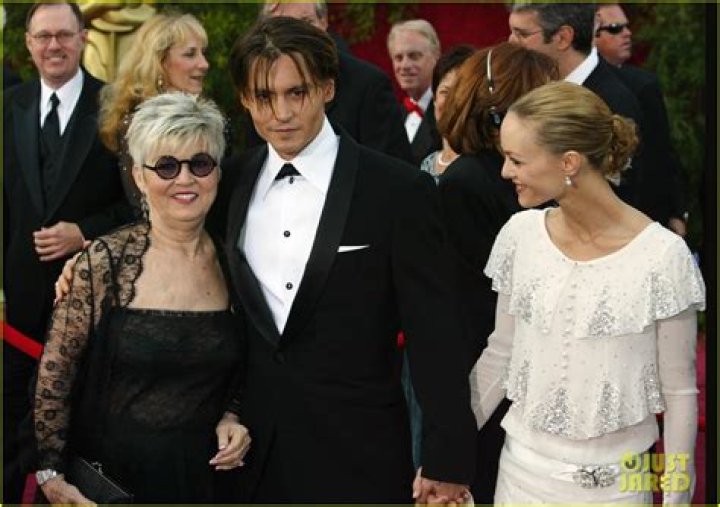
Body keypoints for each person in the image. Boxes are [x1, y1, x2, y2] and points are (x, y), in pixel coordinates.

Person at [224, 16, 475, 503]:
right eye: (264, 96)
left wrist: (447, 457)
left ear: (328, 88)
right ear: (244, 99)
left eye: (297, 93)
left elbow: (435, 332)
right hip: (251, 458)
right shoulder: (231, 183)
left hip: (361, 451)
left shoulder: (398, 190)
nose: (281, 113)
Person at [471, 81, 705, 504]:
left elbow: (679, 393)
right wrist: (444, 451)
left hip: (618, 487)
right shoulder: (520, 236)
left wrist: (676, 498)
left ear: (569, 162)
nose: (505, 171)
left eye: (517, 159)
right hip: (518, 477)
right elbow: (500, 355)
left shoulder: (662, 257)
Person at [34, 93, 251, 504]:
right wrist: (50, 474)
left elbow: (243, 368)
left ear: (217, 173)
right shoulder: (104, 263)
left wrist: (233, 415)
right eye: (166, 166)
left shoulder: (236, 264)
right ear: (139, 176)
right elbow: (55, 377)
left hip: (202, 484)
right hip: (110, 486)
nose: (185, 179)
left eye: (200, 163)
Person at [2, 2, 129, 502]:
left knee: (81, 431)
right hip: (17, 312)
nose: (53, 45)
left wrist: (85, 232)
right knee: (14, 434)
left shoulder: (116, 105)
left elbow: (140, 205)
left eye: (63, 35)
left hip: (90, 306)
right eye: (43, 36)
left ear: (82, 38)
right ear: (29, 44)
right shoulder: (7, 105)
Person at [436, 41, 558, 504]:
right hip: (497, 390)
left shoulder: (536, 178)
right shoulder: (468, 184)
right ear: (502, 110)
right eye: (544, 98)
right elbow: (486, 311)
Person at [507, 3, 685, 236]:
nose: (511, 41)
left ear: (563, 38)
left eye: (522, 34)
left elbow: (649, 178)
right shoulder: (527, 87)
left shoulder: (621, 99)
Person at [247, 1, 413, 163]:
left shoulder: (369, 85)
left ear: (324, 22)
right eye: (284, 25)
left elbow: (394, 171)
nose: (296, 35)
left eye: (306, 22)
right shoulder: (256, 83)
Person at [98, 11, 209, 212]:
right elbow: (138, 207)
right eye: (190, 54)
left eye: (203, 53)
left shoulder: (215, 124)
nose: (204, 64)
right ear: (159, 62)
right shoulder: (133, 128)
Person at [595, 3, 689, 236]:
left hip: (646, 217)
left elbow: (662, 153)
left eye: (627, 27)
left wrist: (677, 212)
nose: (627, 33)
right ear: (591, 34)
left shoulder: (643, 85)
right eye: (615, 28)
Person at [387, 19, 442, 165]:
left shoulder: (446, 111)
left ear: (436, 56)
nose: (404, 65)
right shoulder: (394, 115)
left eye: (414, 56)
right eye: (398, 58)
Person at [419, 44, 475, 183]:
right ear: (434, 100)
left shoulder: (484, 167)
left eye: (462, 93)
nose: (452, 102)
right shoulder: (426, 164)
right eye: (445, 92)